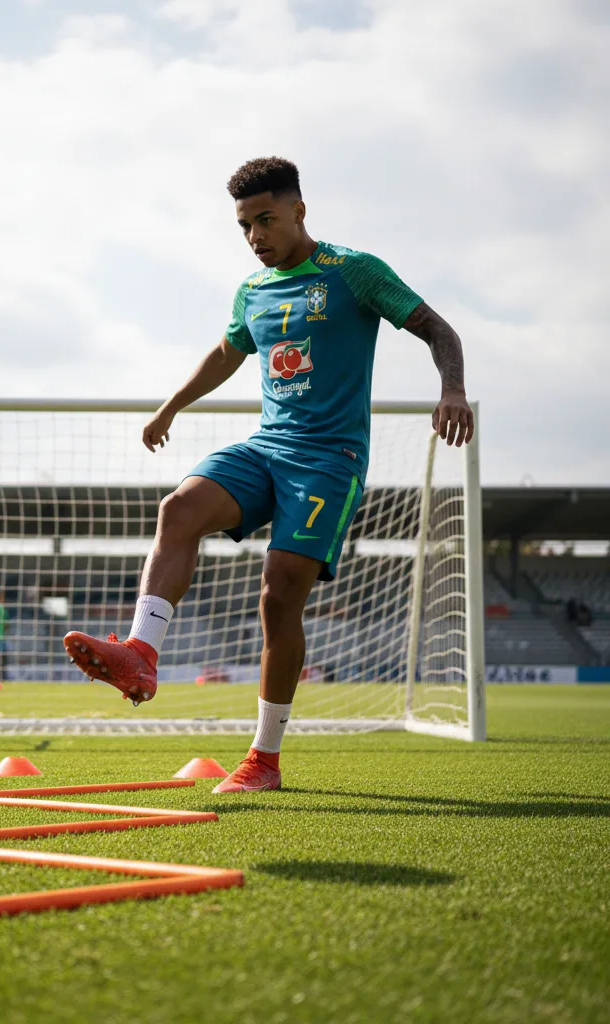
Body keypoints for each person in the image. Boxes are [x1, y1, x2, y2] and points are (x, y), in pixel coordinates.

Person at [64, 156, 474, 793]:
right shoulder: (251, 290)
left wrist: (452, 389)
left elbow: (435, 327)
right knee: (179, 509)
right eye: (244, 226)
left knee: (278, 597)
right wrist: (171, 405)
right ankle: (140, 655)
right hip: (266, 448)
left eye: (266, 220)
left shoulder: (354, 272)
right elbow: (228, 351)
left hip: (328, 460)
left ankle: (264, 759)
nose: (256, 236)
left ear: (298, 211)